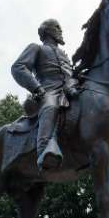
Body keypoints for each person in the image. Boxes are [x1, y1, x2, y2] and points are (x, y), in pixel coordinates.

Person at [10, 18, 79, 171]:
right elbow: (18, 67)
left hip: (71, 90)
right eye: (57, 27)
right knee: (51, 106)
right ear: (48, 31)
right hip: (49, 91)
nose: (61, 31)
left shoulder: (64, 54)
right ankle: (45, 150)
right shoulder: (37, 48)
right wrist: (37, 88)